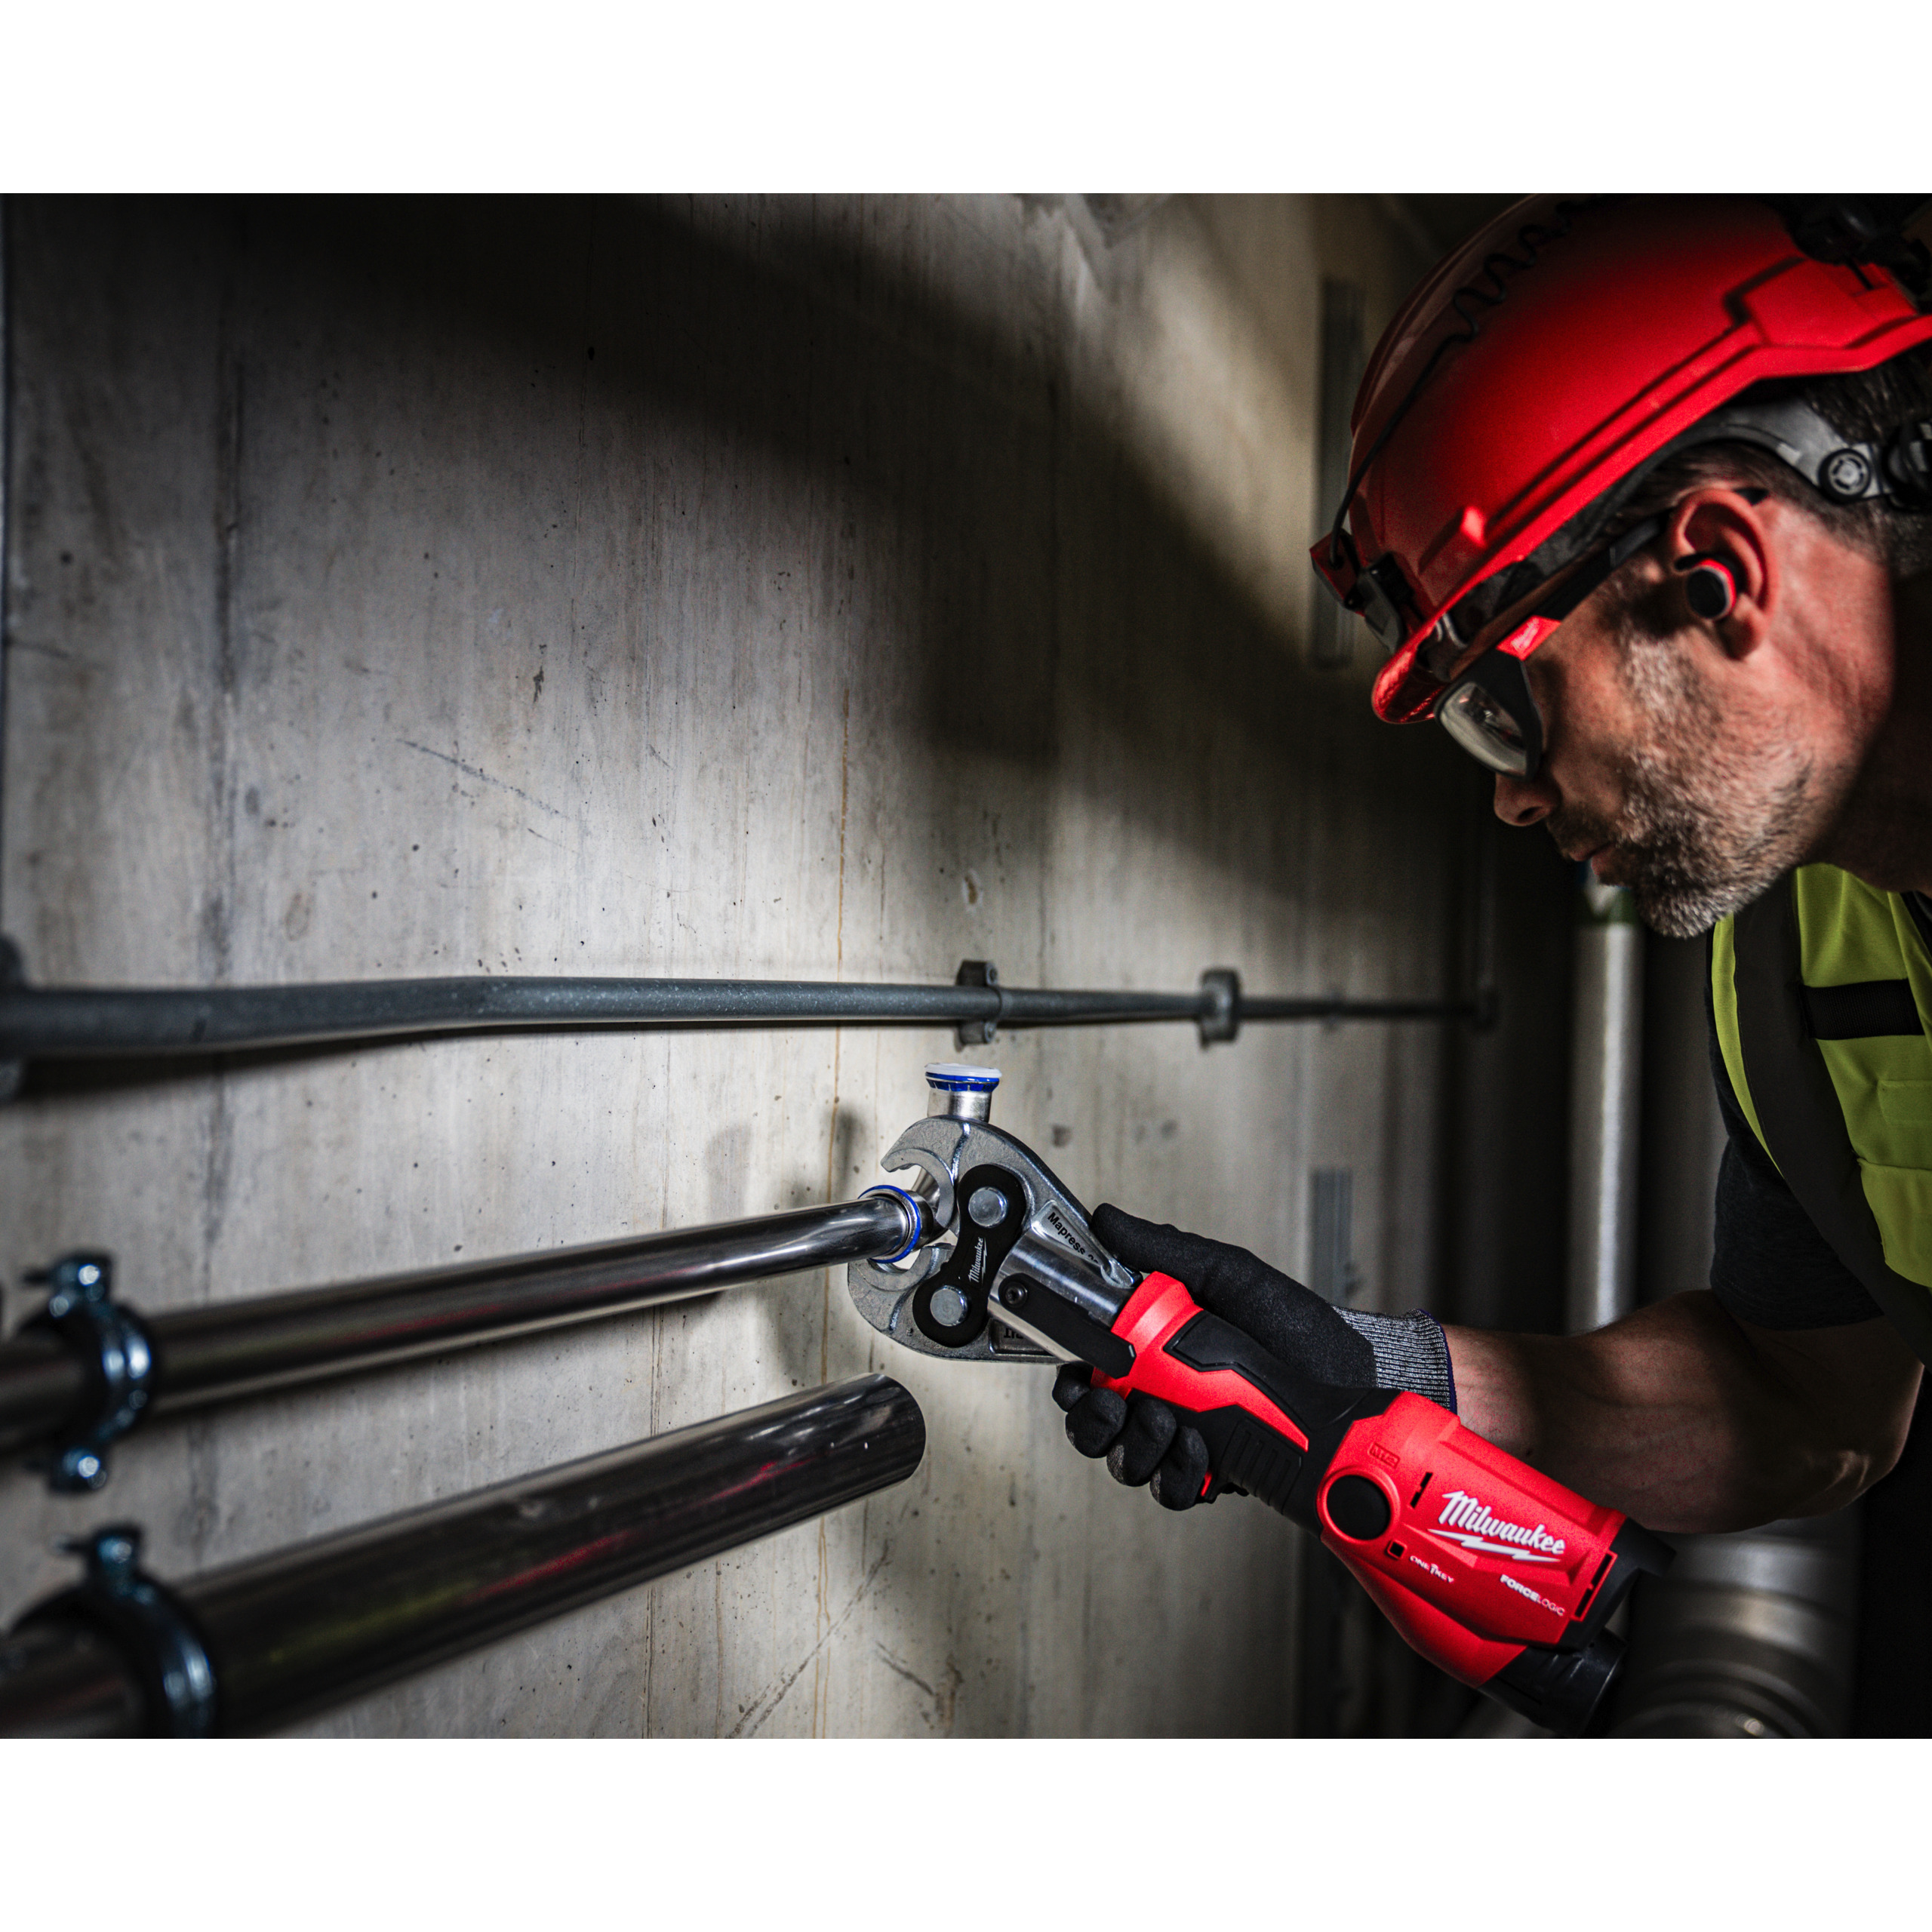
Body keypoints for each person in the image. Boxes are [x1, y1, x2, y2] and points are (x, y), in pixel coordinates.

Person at [1057, 195, 1932, 1535]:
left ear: (1718, 575)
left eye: (1502, 708)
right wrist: (1358, 1385)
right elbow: (1803, 1406)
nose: (1515, 799)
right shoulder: (1792, 972)